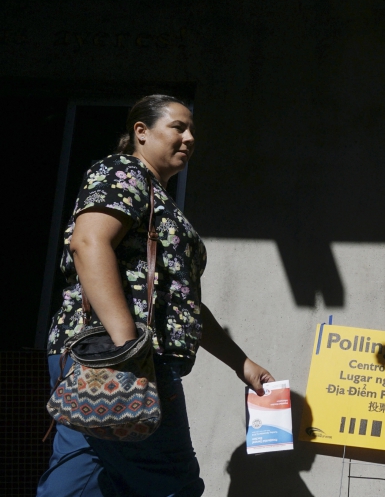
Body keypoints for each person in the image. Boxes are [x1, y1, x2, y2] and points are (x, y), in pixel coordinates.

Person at [38, 95, 274, 497]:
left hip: (96, 357)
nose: (189, 138)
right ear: (141, 132)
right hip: (122, 357)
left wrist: (241, 363)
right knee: (170, 482)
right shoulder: (123, 172)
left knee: (81, 481)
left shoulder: (158, 198)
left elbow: (183, 304)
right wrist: (127, 348)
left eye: (192, 130)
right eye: (178, 127)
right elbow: (88, 243)